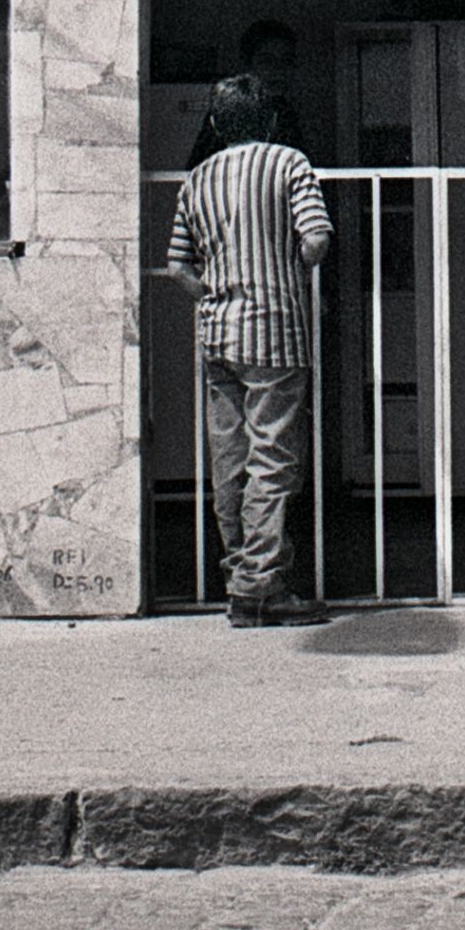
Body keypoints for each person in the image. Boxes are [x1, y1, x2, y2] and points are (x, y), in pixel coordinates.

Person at [165, 75, 337, 625]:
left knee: (230, 461)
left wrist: (215, 290)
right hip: (274, 332)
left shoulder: (197, 179)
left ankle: (240, 574)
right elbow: (315, 240)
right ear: (269, 120)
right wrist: (287, 267)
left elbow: (178, 268)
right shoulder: (289, 164)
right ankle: (261, 586)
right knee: (274, 459)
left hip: (217, 334)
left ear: (215, 125)